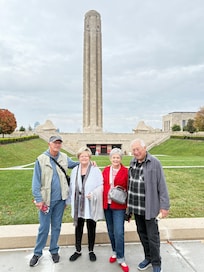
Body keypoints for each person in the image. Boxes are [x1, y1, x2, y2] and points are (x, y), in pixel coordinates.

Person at [29, 135, 79, 267]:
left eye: (59, 143)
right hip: (46, 201)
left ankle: (54, 250)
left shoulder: (63, 157)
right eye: (55, 143)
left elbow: (74, 164)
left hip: (60, 200)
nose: (57, 145)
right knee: (44, 228)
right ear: (49, 144)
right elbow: (36, 182)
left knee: (56, 226)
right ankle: (37, 253)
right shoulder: (41, 159)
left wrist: (87, 162)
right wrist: (39, 200)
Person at [127, 139, 170, 272]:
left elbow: (161, 185)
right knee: (142, 235)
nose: (136, 152)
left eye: (138, 149)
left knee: (153, 237)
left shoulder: (154, 162)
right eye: (133, 150)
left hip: (150, 208)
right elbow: (130, 186)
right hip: (136, 207)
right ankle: (148, 258)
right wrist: (129, 210)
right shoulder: (132, 162)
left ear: (145, 148)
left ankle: (156, 263)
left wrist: (165, 206)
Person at [67, 146, 103, 262]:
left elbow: (101, 185)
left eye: (86, 156)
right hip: (78, 203)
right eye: (82, 156)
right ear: (78, 157)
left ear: (89, 157)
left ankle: (91, 250)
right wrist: (70, 201)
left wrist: (93, 194)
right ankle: (78, 250)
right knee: (79, 227)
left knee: (91, 226)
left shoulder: (95, 170)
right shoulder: (75, 170)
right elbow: (71, 187)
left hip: (90, 202)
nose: (84, 158)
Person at [102, 148, 129, 272]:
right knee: (111, 231)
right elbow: (100, 184)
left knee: (119, 232)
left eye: (118, 157)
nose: (116, 159)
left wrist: (129, 208)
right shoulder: (106, 170)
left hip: (119, 206)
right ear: (110, 158)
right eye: (114, 157)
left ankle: (121, 257)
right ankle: (114, 251)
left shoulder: (125, 171)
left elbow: (128, 189)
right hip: (107, 205)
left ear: (121, 159)